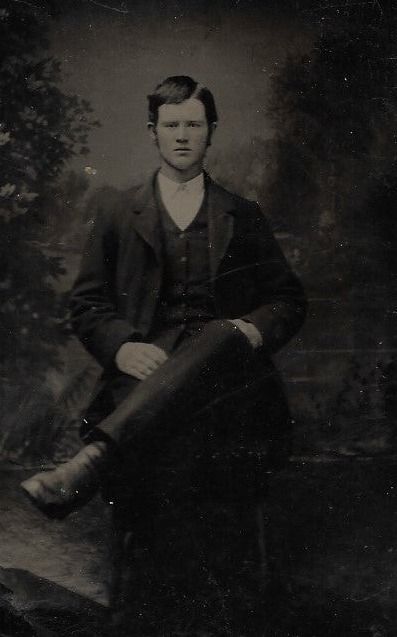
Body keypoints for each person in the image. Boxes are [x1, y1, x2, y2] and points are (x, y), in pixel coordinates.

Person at [21, 75, 307, 520]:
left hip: (229, 379)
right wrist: (122, 347)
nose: (182, 136)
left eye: (193, 125)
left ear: (211, 130)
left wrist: (251, 331)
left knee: (222, 333)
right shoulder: (117, 212)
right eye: (171, 126)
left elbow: (287, 298)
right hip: (147, 370)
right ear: (152, 130)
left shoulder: (243, 213)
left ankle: (91, 462)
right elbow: (87, 303)